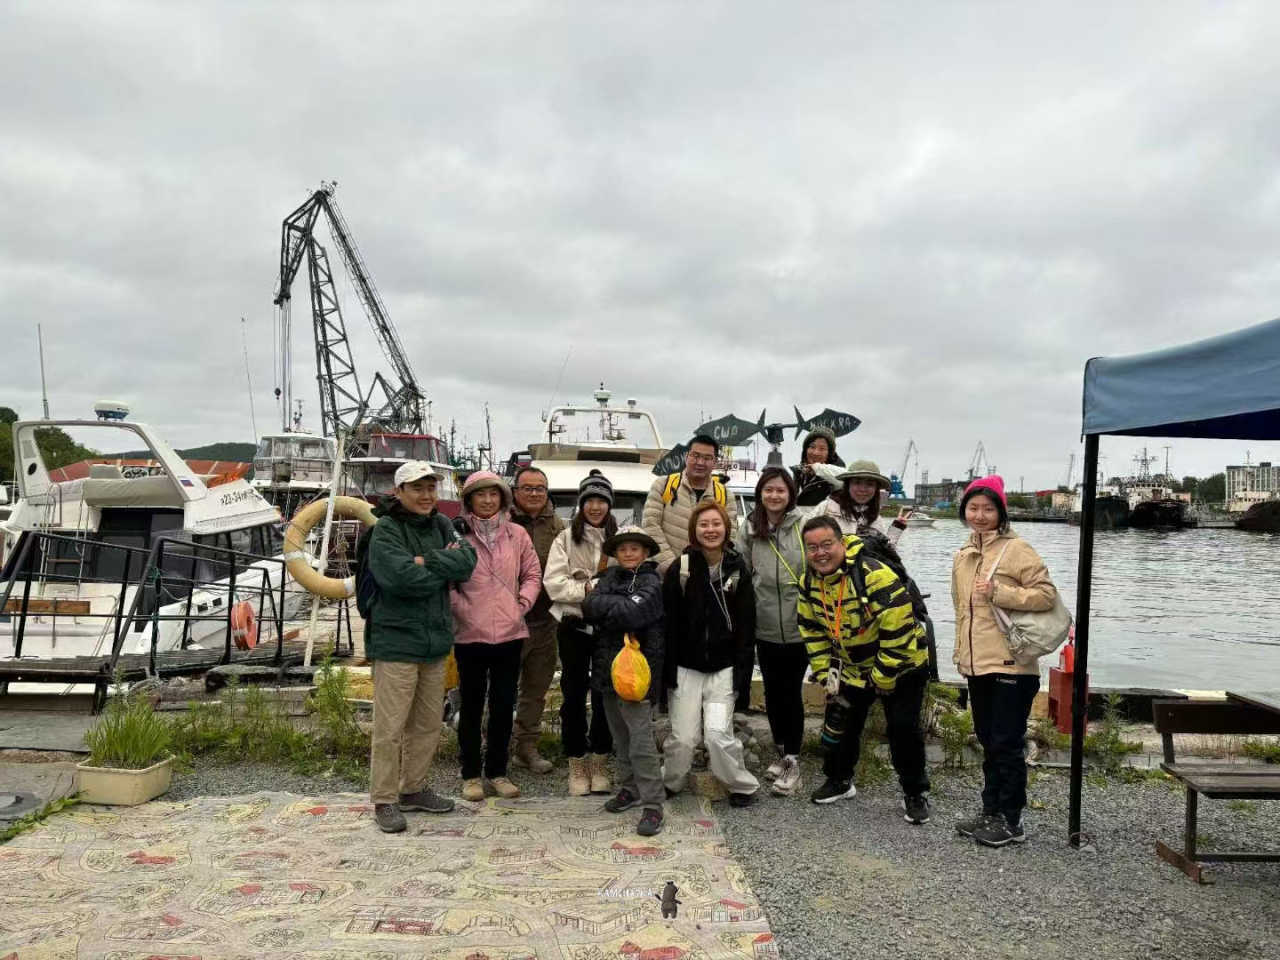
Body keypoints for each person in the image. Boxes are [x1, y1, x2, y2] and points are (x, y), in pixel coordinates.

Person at [365, 461, 476, 833]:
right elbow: (399, 578)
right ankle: (384, 798)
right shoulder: (385, 530)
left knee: (428, 723)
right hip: (394, 639)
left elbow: (467, 562)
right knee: (390, 726)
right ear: (399, 492)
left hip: (434, 641)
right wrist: (440, 570)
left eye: (431, 487)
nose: (427, 495)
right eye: (417, 488)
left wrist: (425, 561)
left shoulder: (443, 524)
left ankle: (412, 789)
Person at [796, 515, 930, 822]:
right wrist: (823, 672)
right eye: (812, 547)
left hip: (902, 664)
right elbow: (811, 629)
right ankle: (839, 779)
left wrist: (882, 676)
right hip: (853, 665)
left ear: (841, 543)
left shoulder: (874, 575)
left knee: (902, 728)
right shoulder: (809, 582)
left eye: (827, 544)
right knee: (842, 722)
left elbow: (898, 629)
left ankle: (915, 792)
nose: (820, 553)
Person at [951, 474, 1056, 847]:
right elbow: (963, 614)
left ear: (1001, 512)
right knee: (987, 740)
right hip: (978, 664)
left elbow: (1046, 596)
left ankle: (1012, 820)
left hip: (1012, 664)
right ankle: (990, 810)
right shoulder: (964, 555)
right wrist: (961, 655)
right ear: (965, 511)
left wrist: (1000, 591)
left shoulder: (1017, 550)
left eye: (988, 509)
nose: (980, 515)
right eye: (973, 508)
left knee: (1006, 743)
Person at [450, 470, 542, 802]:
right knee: (471, 707)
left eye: (494, 494)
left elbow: (532, 573)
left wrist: (522, 603)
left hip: (510, 632)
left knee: (504, 705)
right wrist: (462, 608)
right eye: (480, 495)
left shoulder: (517, 535)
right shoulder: (457, 535)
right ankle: (471, 774)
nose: (488, 500)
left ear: (503, 498)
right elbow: (447, 579)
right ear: (469, 499)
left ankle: (498, 771)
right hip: (469, 634)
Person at [662, 499, 759, 805]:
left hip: (724, 669)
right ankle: (670, 781)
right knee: (683, 738)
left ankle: (741, 785)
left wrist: (741, 675)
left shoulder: (738, 569)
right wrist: (667, 672)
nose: (710, 529)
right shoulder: (681, 568)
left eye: (716, 523)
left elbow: (747, 627)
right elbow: (667, 623)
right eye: (703, 524)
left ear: (726, 528)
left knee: (718, 734)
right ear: (694, 530)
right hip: (685, 667)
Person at [582, 525, 666, 836]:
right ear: (615, 553)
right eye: (622, 548)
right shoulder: (609, 578)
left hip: (639, 675)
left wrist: (606, 605)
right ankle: (630, 788)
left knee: (642, 742)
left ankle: (653, 805)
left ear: (645, 553)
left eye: (635, 548)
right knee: (621, 738)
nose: (629, 553)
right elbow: (588, 607)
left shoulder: (653, 582)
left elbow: (633, 613)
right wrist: (620, 603)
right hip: (606, 672)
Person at [543, 470, 617, 796]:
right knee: (573, 694)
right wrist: (589, 586)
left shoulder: (622, 537)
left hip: (608, 627)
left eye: (602, 500)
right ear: (582, 503)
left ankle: (600, 760)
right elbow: (553, 585)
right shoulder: (564, 539)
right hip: (572, 625)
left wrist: (591, 589)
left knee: (604, 695)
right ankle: (576, 760)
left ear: (609, 504)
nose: (596, 506)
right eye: (590, 500)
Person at [735, 467, 808, 796]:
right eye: (768, 490)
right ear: (760, 493)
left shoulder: (803, 525)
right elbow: (741, 568)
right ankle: (782, 753)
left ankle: (793, 759)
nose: (774, 496)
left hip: (799, 625)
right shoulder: (749, 527)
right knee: (773, 693)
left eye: (780, 490)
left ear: (790, 494)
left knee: (791, 692)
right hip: (763, 624)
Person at [508, 466, 566, 776]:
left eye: (540, 488)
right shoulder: (501, 521)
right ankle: (492, 747)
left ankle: (526, 747)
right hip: (505, 622)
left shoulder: (557, 527)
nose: (534, 494)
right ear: (515, 491)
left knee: (535, 689)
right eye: (527, 488)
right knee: (500, 688)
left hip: (545, 621)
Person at [643, 434, 739, 575]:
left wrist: (709, 571)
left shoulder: (724, 495)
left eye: (707, 458)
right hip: (667, 577)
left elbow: (730, 537)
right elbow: (650, 527)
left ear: (714, 462)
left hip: (707, 579)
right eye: (695, 455)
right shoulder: (664, 485)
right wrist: (674, 567)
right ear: (686, 456)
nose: (700, 462)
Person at [817, 459, 912, 540]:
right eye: (857, 483)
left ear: (876, 489)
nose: (862, 489)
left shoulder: (876, 520)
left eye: (870, 484)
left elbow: (884, 555)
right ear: (848, 485)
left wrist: (897, 528)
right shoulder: (825, 509)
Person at [791, 426, 846, 508]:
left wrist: (817, 468)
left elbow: (845, 479)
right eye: (812, 447)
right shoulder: (800, 473)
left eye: (822, 449)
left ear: (830, 454)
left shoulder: (836, 473)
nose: (816, 452)